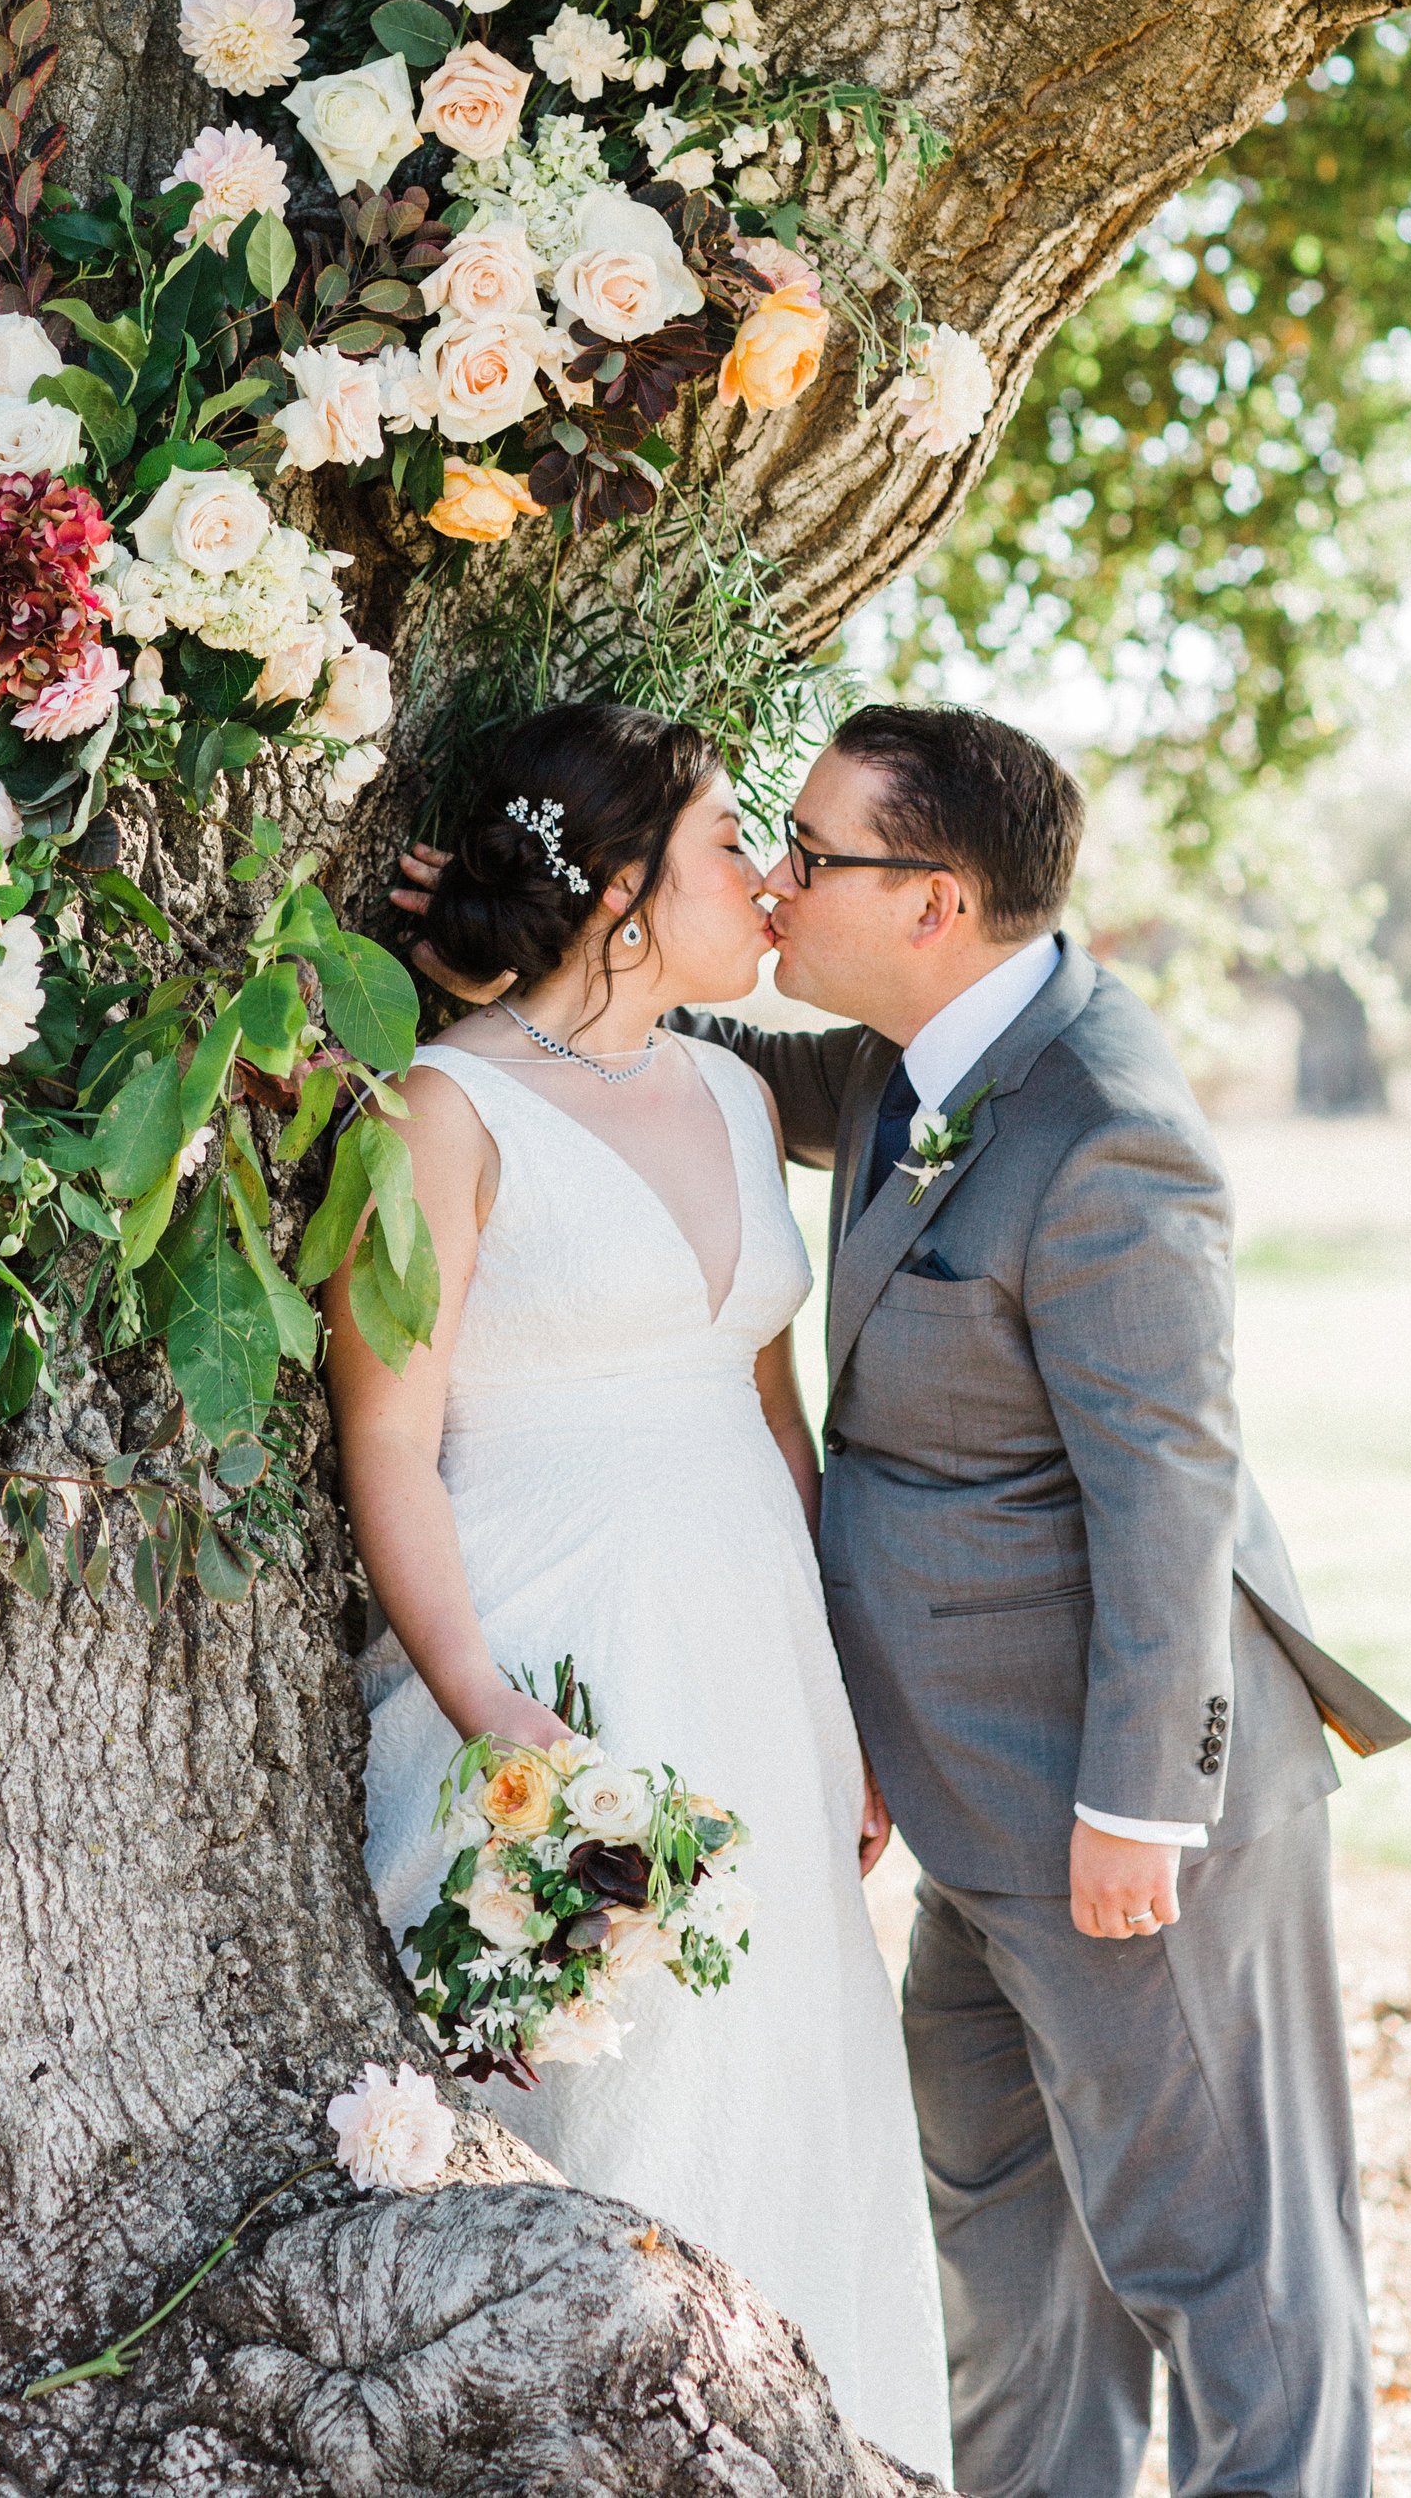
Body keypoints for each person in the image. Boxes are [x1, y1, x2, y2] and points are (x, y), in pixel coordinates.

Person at [399, 700, 1411, 2498]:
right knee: (1012, 2266)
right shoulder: (902, 1060)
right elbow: (643, 1056)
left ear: (932, 899)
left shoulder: (1104, 1124)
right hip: (968, 1803)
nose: (780, 882)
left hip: (1125, 1806)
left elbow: (1173, 1486)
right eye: (760, 842)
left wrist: (1137, 1801)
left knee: (1237, 2268)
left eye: (812, 850)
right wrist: (524, 925)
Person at [330, 700, 951, 2470]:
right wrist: (487, 1711)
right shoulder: (441, 1111)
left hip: (755, 1657)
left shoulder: (747, 1093)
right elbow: (389, 1437)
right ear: (619, 894)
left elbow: (780, 1416)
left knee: (791, 2088)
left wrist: (848, 1698)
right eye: (726, 845)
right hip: (551, 1666)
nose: (766, 877)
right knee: (610, 2105)